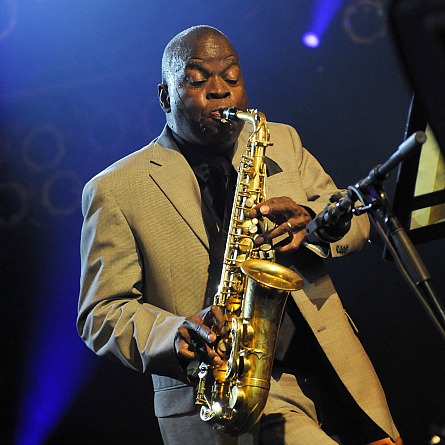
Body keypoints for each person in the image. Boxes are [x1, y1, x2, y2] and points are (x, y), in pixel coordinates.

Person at [77, 25, 403, 445]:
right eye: (197, 80)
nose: (220, 92)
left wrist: (312, 221)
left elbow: (357, 222)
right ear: (164, 97)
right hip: (228, 393)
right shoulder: (115, 188)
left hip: (336, 369)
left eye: (231, 78)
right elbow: (101, 311)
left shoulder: (282, 141)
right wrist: (173, 332)